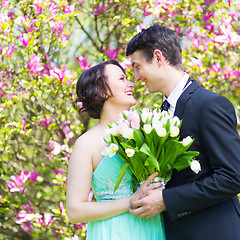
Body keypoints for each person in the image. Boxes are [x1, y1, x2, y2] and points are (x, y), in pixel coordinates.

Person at [126, 23, 240, 240]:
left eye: (137, 66)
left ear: (158, 58)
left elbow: (232, 176)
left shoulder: (209, 104)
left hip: (215, 232)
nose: (136, 77)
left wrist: (165, 200)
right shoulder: (161, 112)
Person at [66, 59, 166, 240]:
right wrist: (131, 200)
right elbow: (75, 211)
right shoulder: (86, 144)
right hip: (114, 232)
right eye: (122, 79)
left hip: (153, 227)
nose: (131, 84)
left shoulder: (147, 132)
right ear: (101, 90)